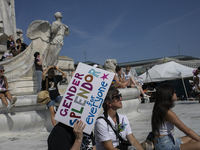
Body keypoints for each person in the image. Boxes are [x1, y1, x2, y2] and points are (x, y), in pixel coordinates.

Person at [151, 83, 200, 150]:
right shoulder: (167, 113)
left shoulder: (159, 109)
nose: (175, 93)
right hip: (165, 146)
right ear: (168, 95)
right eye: (174, 92)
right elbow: (187, 130)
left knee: (192, 138)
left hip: (163, 142)